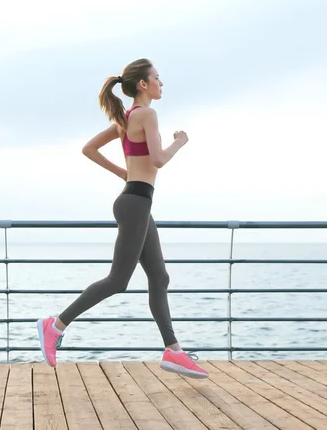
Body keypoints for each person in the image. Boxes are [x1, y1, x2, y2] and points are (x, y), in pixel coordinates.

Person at [36, 58, 209, 379]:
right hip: (135, 204)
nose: (161, 83)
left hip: (136, 200)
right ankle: (55, 325)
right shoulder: (146, 114)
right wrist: (180, 141)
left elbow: (89, 149)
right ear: (143, 84)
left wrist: (125, 174)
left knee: (159, 278)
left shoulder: (125, 119)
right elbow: (158, 160)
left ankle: (174, 352)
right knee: (118, 280)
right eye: (157, 78)